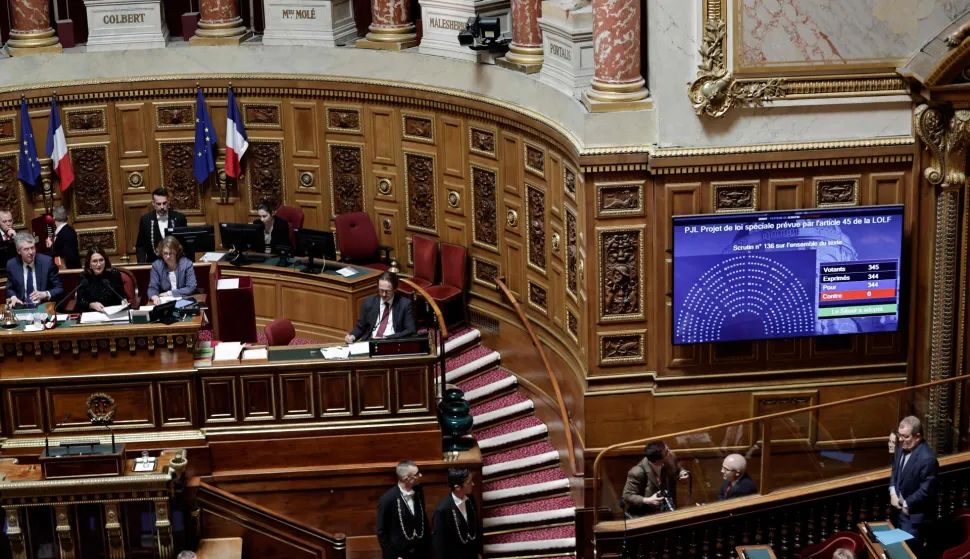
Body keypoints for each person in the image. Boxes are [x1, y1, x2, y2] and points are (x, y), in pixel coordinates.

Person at [889, 416, 938, 542]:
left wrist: (906, 503)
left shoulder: (927, 459)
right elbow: (895, 470)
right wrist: (893, 492)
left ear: (917, 437)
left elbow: (925, 490)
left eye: (905, 437)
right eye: (900, 435)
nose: (900, 440)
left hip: (914, 518)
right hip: (898, 513)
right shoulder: (901, 448)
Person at [376, 460, 430, 559]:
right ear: (406, 479)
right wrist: (394, 556)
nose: (420, 475)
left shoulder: (418, 491)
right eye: (417, 474)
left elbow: (422, 519)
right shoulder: (387, 500)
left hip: (420, 552)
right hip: (399, 555)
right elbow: (381, 532)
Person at [345, 271, 415, 343]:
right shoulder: (369, 302)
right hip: (370, 342)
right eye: (381, 291)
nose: (384, 295)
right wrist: (352, 336)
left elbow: (410, 330)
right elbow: (360, 327)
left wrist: (389, 338)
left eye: (388, 291)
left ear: (395, 289)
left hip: (392, 342)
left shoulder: (405, 304)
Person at [432, 468, 482, 559]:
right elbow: (439, 543)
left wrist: (478, 552)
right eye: (469, 482)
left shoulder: (470, 499)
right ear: (457, 487)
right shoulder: (442, 510)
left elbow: (475, 528)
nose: (473, 484)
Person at [4, 232, 64, 306]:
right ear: (18, 251)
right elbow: (9, 288)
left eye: (32, 248)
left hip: (44, 306)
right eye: (26, 249)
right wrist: (13, 297)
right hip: (22, 307)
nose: (31, 252)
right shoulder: (12, 264)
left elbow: (59, 288)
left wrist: (45, 294)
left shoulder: (47, 262)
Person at [621, 442, 678, 517]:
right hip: (648, 514)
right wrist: (648, 500)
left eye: (668, 449)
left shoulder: (671, 457)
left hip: (668, 509)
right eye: (667, 452)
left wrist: (682, 473)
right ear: (658, 461)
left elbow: (677, 469)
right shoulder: (637, 472)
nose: (670, 452)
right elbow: (627, 496)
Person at [136, 188, 187, 263]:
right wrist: (141, 265)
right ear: (153, 203)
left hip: (176, 264)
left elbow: (186, 243)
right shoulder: (145, 220)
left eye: (164, 203)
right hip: (153, 264)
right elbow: (140, 246)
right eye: (158, 204)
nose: (162, 207)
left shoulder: (179, 218)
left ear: (169, 202)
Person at [147, 236, 197, 305]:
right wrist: (154, 296)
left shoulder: (186, 264)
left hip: (184, 301)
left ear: (176, 251)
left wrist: (169, 293)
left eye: (171, 253)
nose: (168, 256)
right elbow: (152, 287)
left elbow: (191, 287)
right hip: (165, 303)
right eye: (165, 253)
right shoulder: (157, 266)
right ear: (161, 252)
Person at [76, 247, 127, 312]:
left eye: (101, 260)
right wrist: (91, 305)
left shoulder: (114, 274)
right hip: (93, 314)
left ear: (105, 261)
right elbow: (80, 302)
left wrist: (123, 300)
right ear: (89, 263)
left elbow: (122, 294)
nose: (99, 264)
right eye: (95, 261)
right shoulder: (83, 277)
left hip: (114, 313)